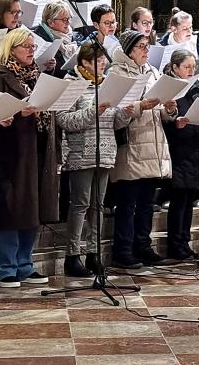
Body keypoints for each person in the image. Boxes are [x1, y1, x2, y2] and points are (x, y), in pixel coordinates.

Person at [0, 27, 59, 287]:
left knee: (32, 208)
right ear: (11, 49)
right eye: (25, 46)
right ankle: (4, 267)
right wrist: (17, 115)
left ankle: (25, 263)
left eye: (33, 47)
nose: (30, 51)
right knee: (11, 210)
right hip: (8, 154)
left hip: (36, 147)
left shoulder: (37, 76)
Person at [55, 43, 130, 277]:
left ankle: (94, 254)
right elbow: (64, 120)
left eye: (104, 61)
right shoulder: (71, 85)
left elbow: (115, 122)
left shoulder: (107, 85)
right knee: (80, 205)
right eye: (98, 61)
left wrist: (126, 113)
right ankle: (72, 255)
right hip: (80, 153)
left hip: (105, 150)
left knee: (98, 205)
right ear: (85, 62)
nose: (103, 64)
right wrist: (94, 111)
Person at [107, 30, 177, 268]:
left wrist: (169, 108)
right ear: (129, 49)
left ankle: (143, 246)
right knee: (128, 203)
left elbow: (163, 115)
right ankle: (123, 250)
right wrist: (140, 106)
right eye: (142, 46)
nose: (146, 50)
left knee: (147, 202)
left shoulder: (153, 71)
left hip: (153, 143)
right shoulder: (117, 73)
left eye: (148, 46)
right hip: (132, 144)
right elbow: (114, 111)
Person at [163, 49, 199, 260]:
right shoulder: (169, 87)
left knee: (189, 199)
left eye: (193, 67)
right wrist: (175, 122)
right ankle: (175, 243)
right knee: (179, 200)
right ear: (175, 67)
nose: (191, 70)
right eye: (187, 67)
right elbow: (164, 119)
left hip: (196, 146)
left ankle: (184, 242)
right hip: (178, 148)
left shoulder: (196, 85)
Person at [33, 0, 77, 78]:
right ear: (50, 22)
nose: (68, 22)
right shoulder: (40, 39)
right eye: (64, 20)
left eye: (69, 18)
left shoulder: (70, 35)